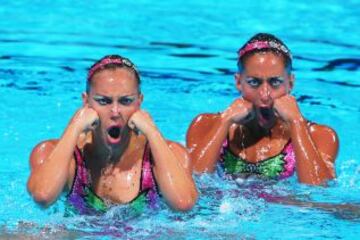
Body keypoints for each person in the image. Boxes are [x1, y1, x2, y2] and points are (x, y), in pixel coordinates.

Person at [27, 55, 198, 215]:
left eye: (126, 101)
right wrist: (74, 126)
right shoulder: (53, 153)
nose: (115, 112)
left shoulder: (169, 154)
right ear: (86, 102)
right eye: (103, 101)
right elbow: (43, 197)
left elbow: (183, 204)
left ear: (140, 102)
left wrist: (152, 131)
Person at [186, 33, 339, 185]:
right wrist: (225, 120)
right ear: (239, 82)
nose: (265, 95)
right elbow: (192, 181)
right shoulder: (205, 125)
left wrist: (296, 122)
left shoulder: (320, 136)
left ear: (290, 83)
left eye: (275, 82)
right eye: (254, 82)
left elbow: (318, 191)